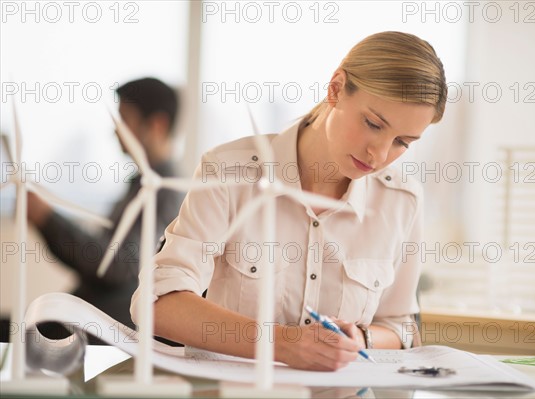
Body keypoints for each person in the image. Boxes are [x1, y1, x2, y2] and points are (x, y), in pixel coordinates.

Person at [133, 32, 447, 370]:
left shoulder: (402, 200)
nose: (380, 154)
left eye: (402, 141)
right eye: (373, 124)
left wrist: (360, 339)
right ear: (336, 89)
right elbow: (158, 303)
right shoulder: (228, 171)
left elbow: (401, 326)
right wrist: (281, 343)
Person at [28, 77, 185, 332]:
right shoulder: (142, 185)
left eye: (124, 119)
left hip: (110, 324)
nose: (115, 130)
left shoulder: (163, 189)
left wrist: (48, 218)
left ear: (157, 124)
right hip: (91, 312)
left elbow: (120, 267)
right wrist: (46, 221)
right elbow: (104, 261)